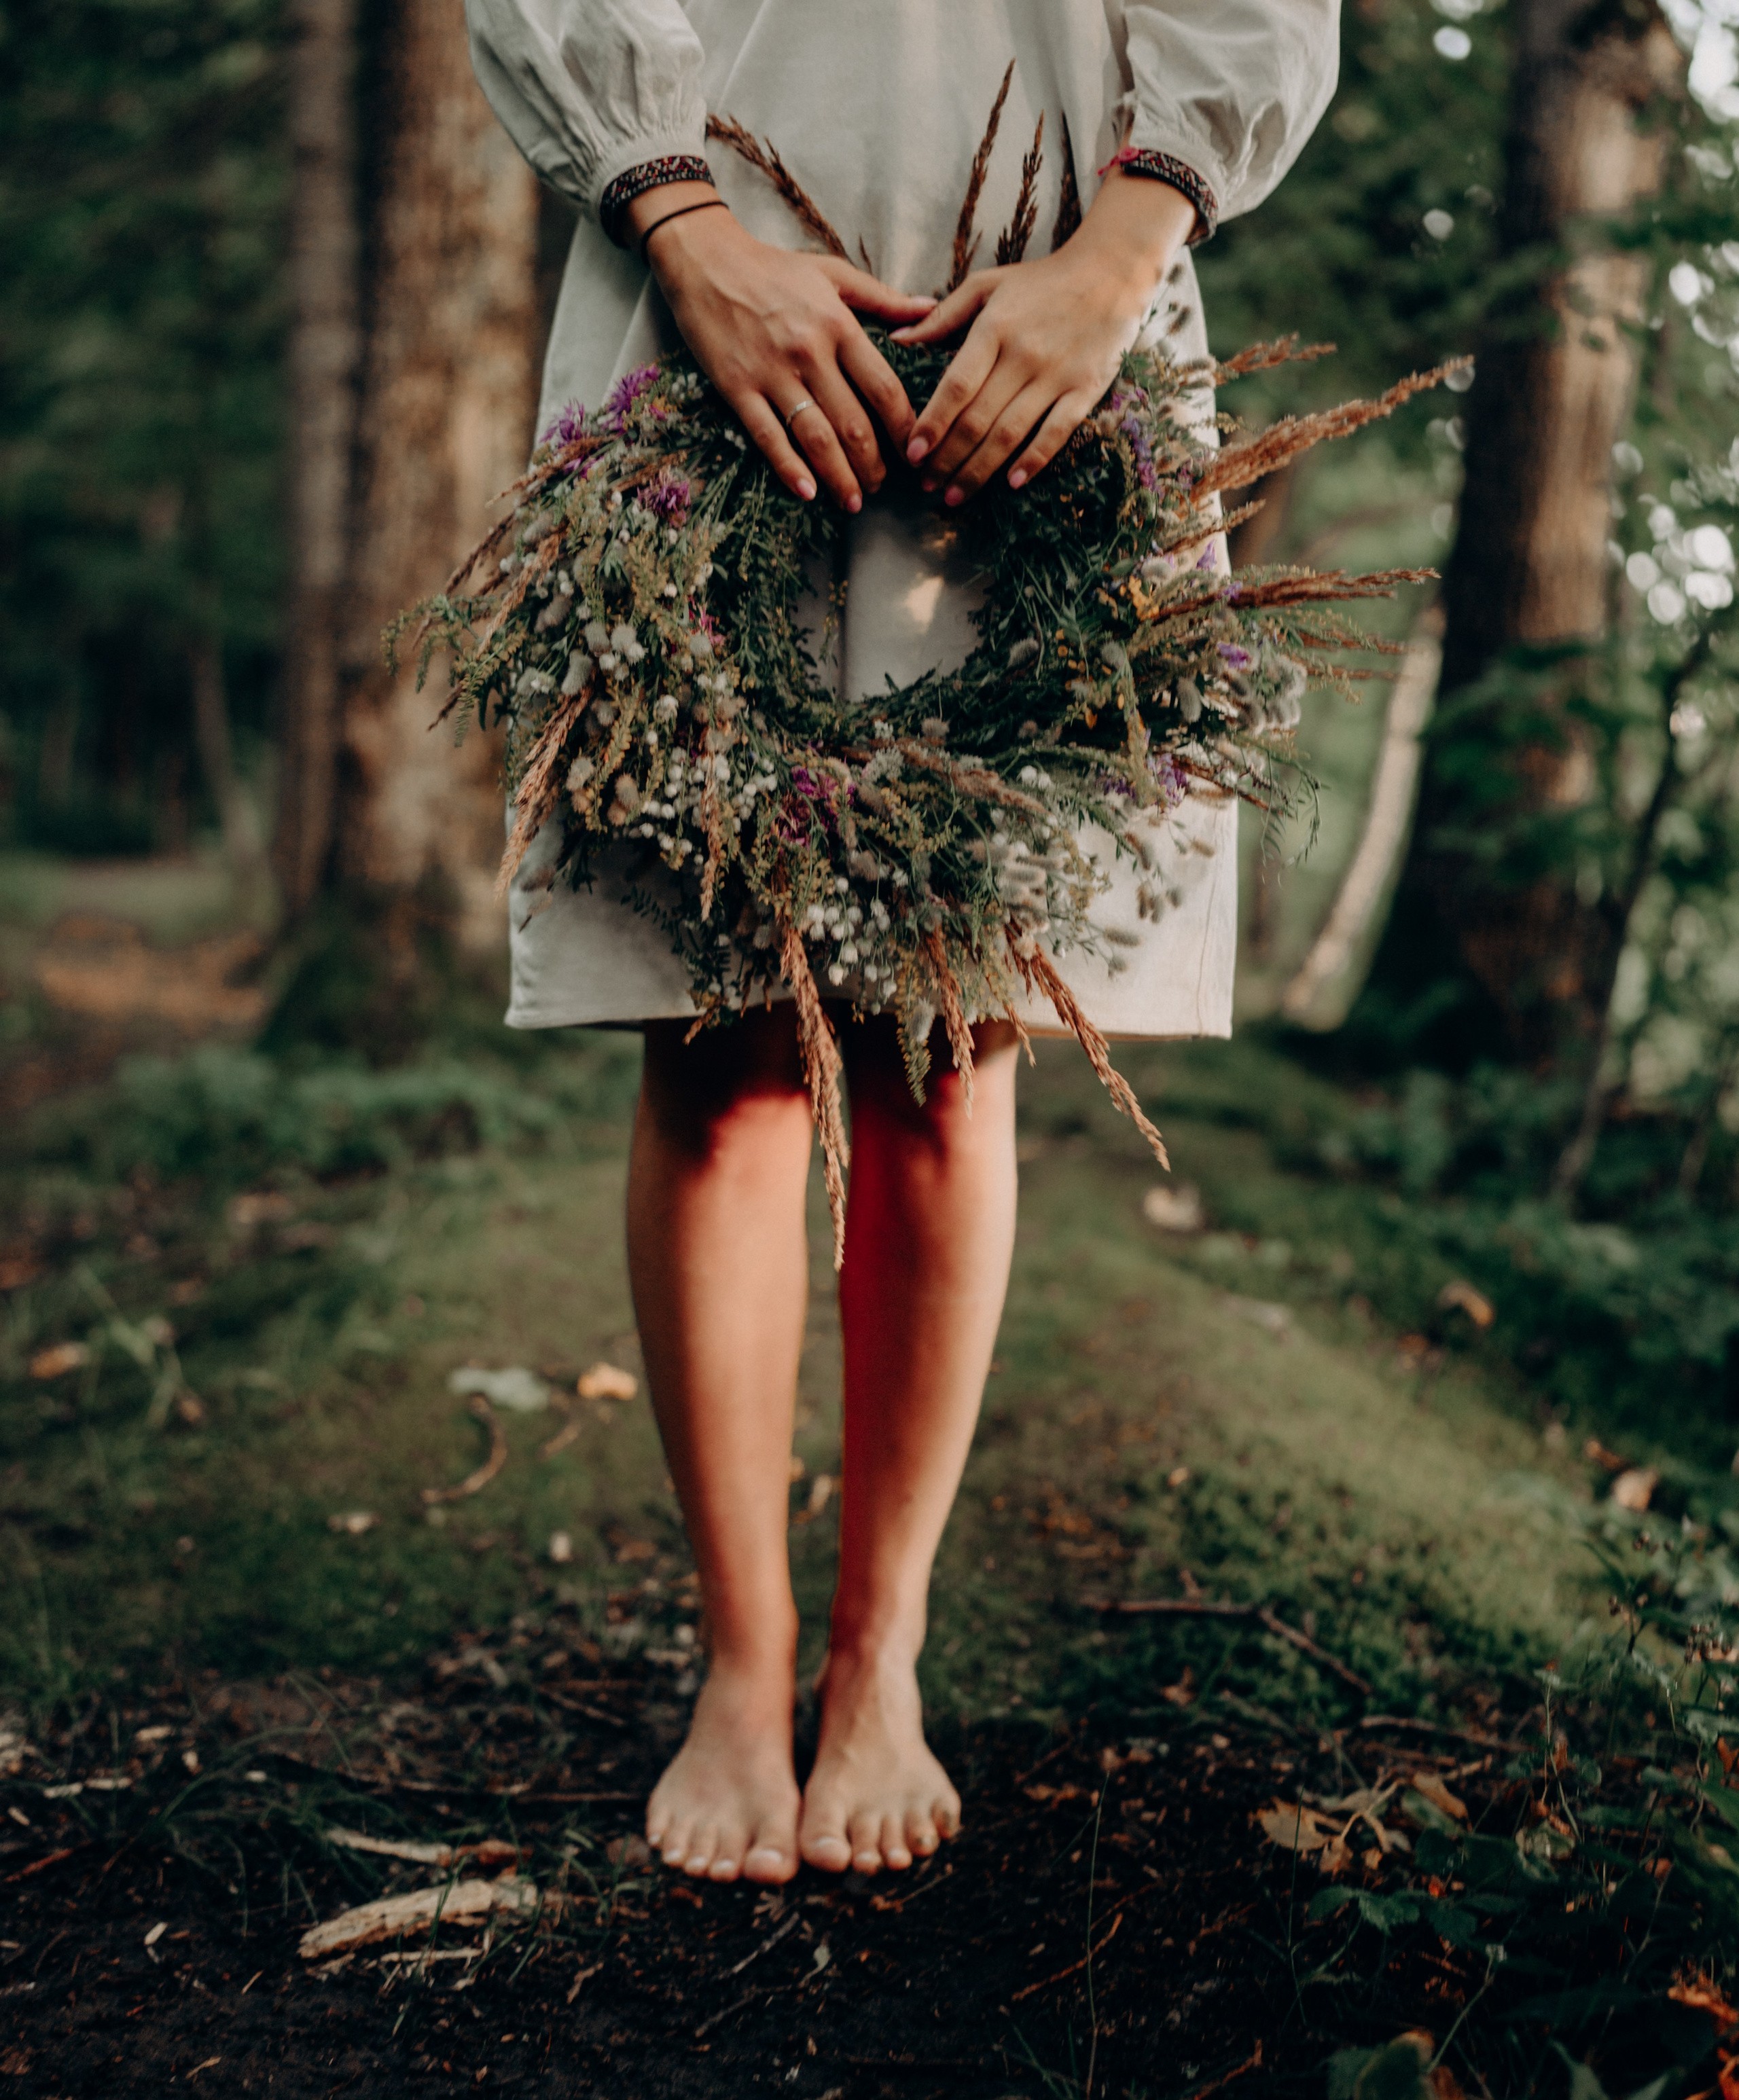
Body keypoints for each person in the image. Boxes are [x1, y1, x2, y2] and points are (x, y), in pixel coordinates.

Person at [465, 0, 1339, 1883]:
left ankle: (881, 1659)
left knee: (951, 1045)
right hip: (702, 285)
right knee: (717, 1049)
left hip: (1048, 309)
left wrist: (1120, 251)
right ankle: (744, 1658)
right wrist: (682, 225)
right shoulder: (686, 252)